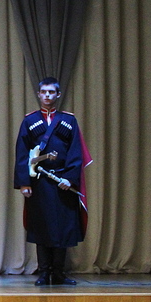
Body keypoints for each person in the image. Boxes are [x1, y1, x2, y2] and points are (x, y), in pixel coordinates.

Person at [14, 77, 92, 286]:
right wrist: (24, 183)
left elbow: (76, 152)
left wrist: (70, 179)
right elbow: (22, 153)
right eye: (44, 92)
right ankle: (43, 273)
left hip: (62, 182)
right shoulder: (29, 121)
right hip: (39, 182)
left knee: (62, 229)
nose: (47, 95)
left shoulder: (69, 121)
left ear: (58, 94)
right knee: (41, 228)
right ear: (39, 94)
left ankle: (58, 273)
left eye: (51, 92)